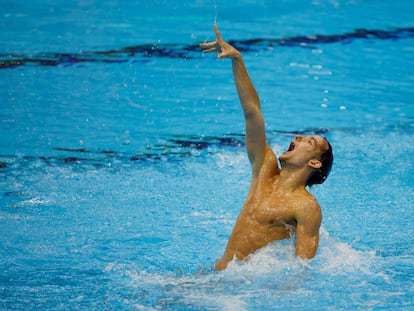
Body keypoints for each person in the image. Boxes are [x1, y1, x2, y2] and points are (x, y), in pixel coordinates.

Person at [200, 25, 333, 271]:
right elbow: (252, 112)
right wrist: (237, 61)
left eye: (309, 142)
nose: (299, 137)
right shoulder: (264, 168)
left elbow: (303, 269)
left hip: (242, 292)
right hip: (217, 275)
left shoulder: (306, 206)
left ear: (314, 163)